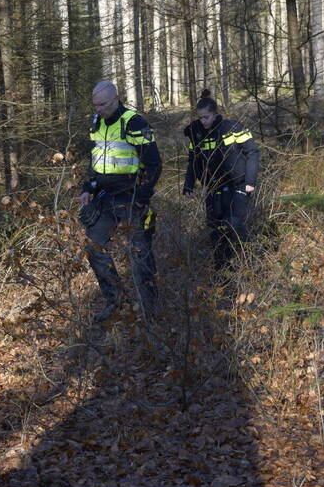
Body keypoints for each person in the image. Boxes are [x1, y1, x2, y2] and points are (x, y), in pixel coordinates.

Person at [80, 81, 162, 323]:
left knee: (140, 253)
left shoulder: (133, 122)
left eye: (103, 105)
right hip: (105, 197)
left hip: (131, 196)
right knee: (94, 246)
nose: (98, 110)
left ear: (116, 98)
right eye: (95, 105)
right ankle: (115, 300)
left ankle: (151, 311)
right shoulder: (97, 123)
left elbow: (154, 163)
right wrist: (89, 187)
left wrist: (142, 197)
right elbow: (96, 160)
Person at [182, 90, 260, 270]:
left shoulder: (232, 128)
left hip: (238, 184)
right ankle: (223, 271)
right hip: (213, 187)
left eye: (207, 117)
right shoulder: (197, 135)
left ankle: (252, 261)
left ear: (215, 113)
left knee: (234, 223)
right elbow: (193, 161)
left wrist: (250, 181)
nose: (203, 122)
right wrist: (189, 185)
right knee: (216, 229)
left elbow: (253, 152)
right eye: (200, 118)